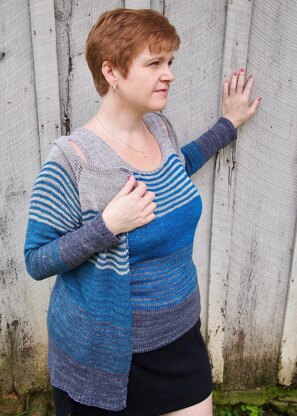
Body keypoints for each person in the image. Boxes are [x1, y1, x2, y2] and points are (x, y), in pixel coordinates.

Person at [24, 8, 261, 416]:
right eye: (154, 63)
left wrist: (228, 124)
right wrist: (107, 226)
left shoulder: (159, 128)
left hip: (179, 338)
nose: (168, 73)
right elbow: (36, 259)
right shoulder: (72, 161)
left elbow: (176, 168)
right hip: (105, 354)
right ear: (111, 72)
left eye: (169, 62)